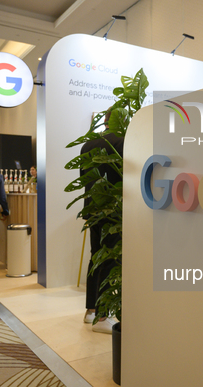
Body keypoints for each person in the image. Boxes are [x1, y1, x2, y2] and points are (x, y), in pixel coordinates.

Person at [80, 106, 123, 334]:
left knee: (95, 258)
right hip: (112, 211)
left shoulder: (88, 144)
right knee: (110, 261)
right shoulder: (121, 142)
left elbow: (84, 180)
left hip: (93, 210)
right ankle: (103, 315)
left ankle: (91, 311)